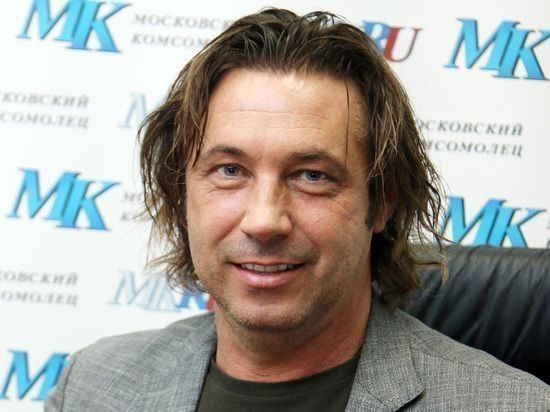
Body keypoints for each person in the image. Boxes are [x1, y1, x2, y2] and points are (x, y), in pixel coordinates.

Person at [46, 8, 549, 411]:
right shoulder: (91, 387)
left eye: (312, 176)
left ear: (382, 202)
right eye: (229, 170)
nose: (264, 220)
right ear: (182, 193)